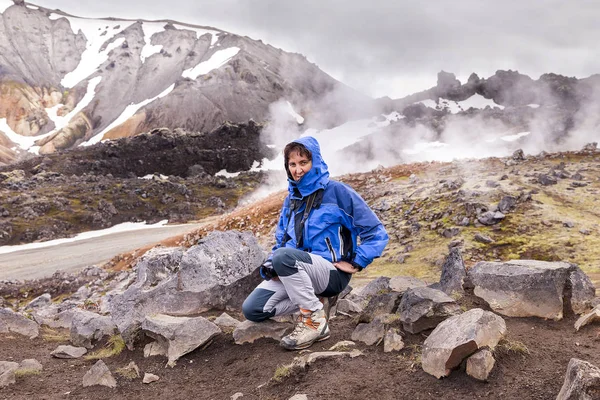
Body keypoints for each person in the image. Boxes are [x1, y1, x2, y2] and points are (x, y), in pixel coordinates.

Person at [242, 136, 389, 350]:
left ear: (316, 162)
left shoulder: (338, 192)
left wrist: (357, 261)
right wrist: (271, 266)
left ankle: (314, 320)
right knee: (253, 309)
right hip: (296, 269)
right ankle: (313, 304)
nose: (297, 169)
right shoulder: (291, 200)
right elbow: (282, 241)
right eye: (292, 164)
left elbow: (376, 232)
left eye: (303, 163)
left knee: (285, 257)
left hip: (330, 273)